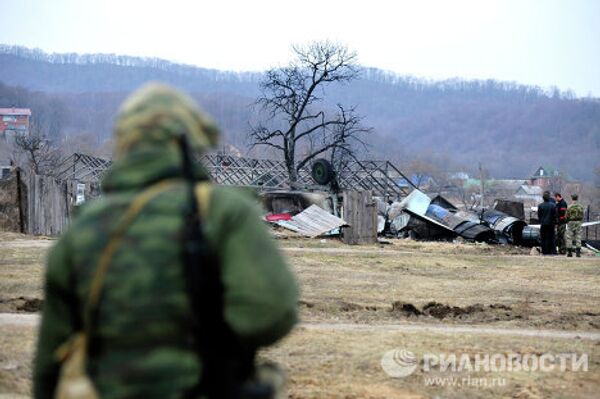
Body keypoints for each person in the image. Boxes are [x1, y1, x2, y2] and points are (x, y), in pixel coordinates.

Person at [33, 83, 299, 399]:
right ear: (189, 143)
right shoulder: (223, 211)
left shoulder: (81, 229)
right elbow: (272, 312)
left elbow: (51, 360)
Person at [537, 191, 557, 255]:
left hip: (543, 224)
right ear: (549, 198)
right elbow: (555, 215)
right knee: (551, 237)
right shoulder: (553, 205)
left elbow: (539, 215)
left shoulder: (540, 206)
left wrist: (541, 221)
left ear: (543, 198)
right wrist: (555, 222)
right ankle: (552, 251)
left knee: (543, 238)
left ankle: (544, 251)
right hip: (551, 224)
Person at [566, 193, 584, 258]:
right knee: (578, 236)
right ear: (577, 198)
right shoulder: (580, 207)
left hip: (570, 222)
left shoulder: (569, 207)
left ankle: (569, 253)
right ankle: (578, 253)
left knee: (569, 237)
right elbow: (582, 215)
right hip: (578, 222)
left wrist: (568, 220)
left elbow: (566, 216)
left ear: (572, 198)